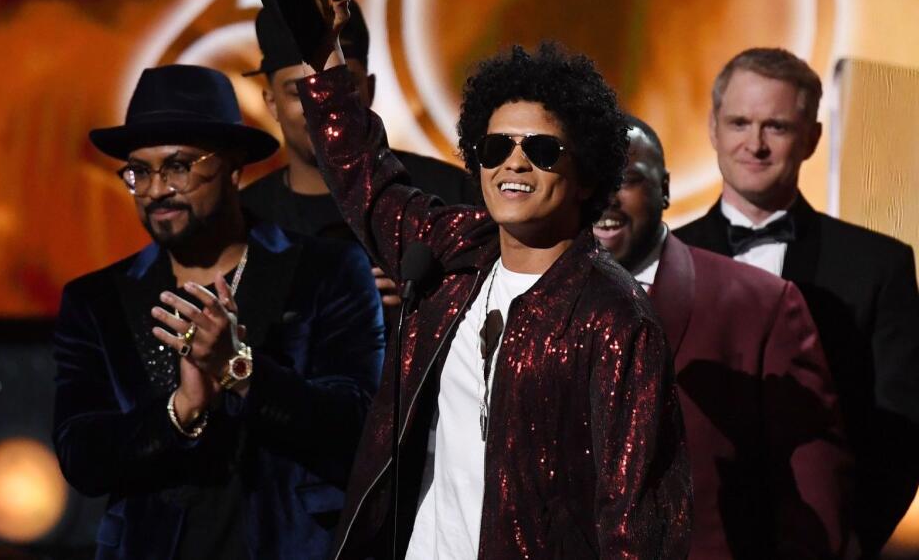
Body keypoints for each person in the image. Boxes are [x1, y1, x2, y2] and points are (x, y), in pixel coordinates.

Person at [297, 38, 692, 558]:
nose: (515, 164)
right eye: (496, 147)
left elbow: (636, 524)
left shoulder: (615, 319)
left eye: (542, 151)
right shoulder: (453, 254)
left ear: (587, 175)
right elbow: (366, 180)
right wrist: (323, 57)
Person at [51, 64, 385, 559]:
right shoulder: (95, 300)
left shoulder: (326, 272)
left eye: (179, 166)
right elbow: (82, 454)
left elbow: (357, 430)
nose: (157, 189)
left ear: (233, 167)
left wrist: (240, 369)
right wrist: (181, 411)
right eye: (139, 172)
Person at [676, 47, 919, 555]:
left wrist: (847, 542)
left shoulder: (879, 265)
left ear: (811, 138)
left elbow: (899, 430)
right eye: (740, 122)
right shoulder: (663, 260)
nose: (755, 144)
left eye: (777, 127)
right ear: (714, 130)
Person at [595, 115, 852, 557]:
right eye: (589, 178)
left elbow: (815, 501)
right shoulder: (527, 299)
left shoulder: (761, 304)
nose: (604, 197)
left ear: (666, 188)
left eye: (627, 179)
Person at [241, 1, 476, 307]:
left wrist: (429, 305)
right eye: (300, 93)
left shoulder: (450, 193)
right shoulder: (244, 221)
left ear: (370, 88)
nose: (320, 105)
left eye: (340, 85)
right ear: (271, 103)